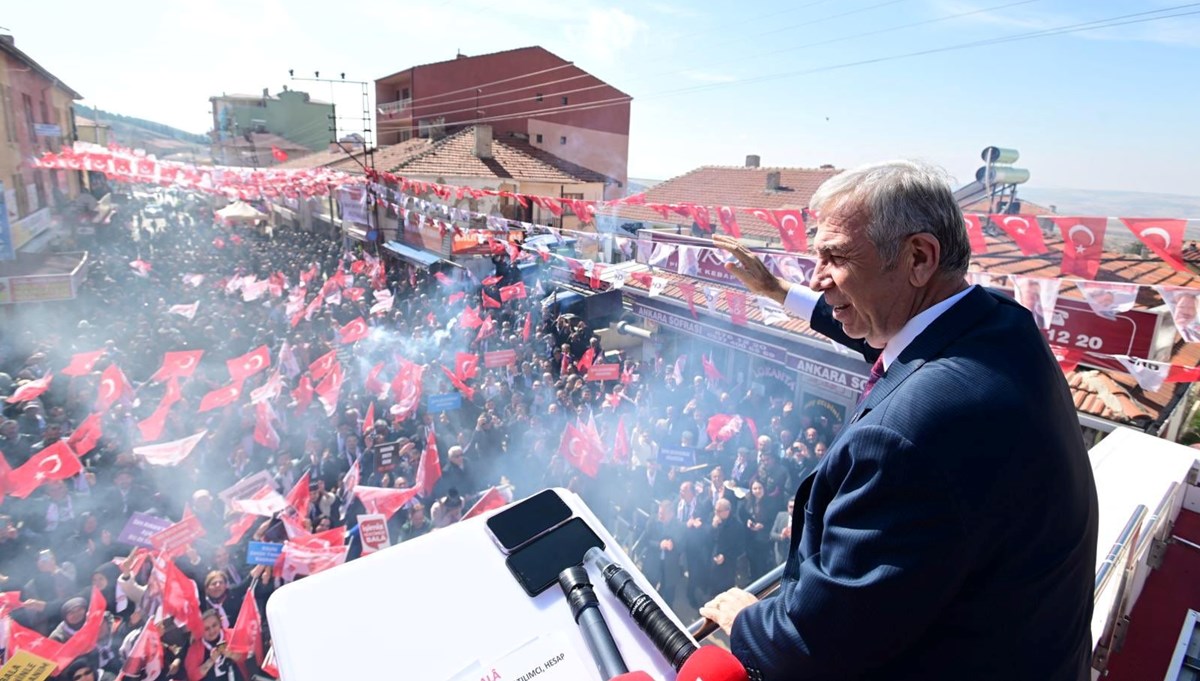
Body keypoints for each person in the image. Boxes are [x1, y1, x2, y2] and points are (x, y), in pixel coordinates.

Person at [704, 160, 1098, 680]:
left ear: (918, 257)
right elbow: (898, 339)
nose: (817, 279)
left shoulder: (906, 437)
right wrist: (778, 292)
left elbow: (813, 647)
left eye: (835, 257)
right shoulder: (999, 323)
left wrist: (747, 622)